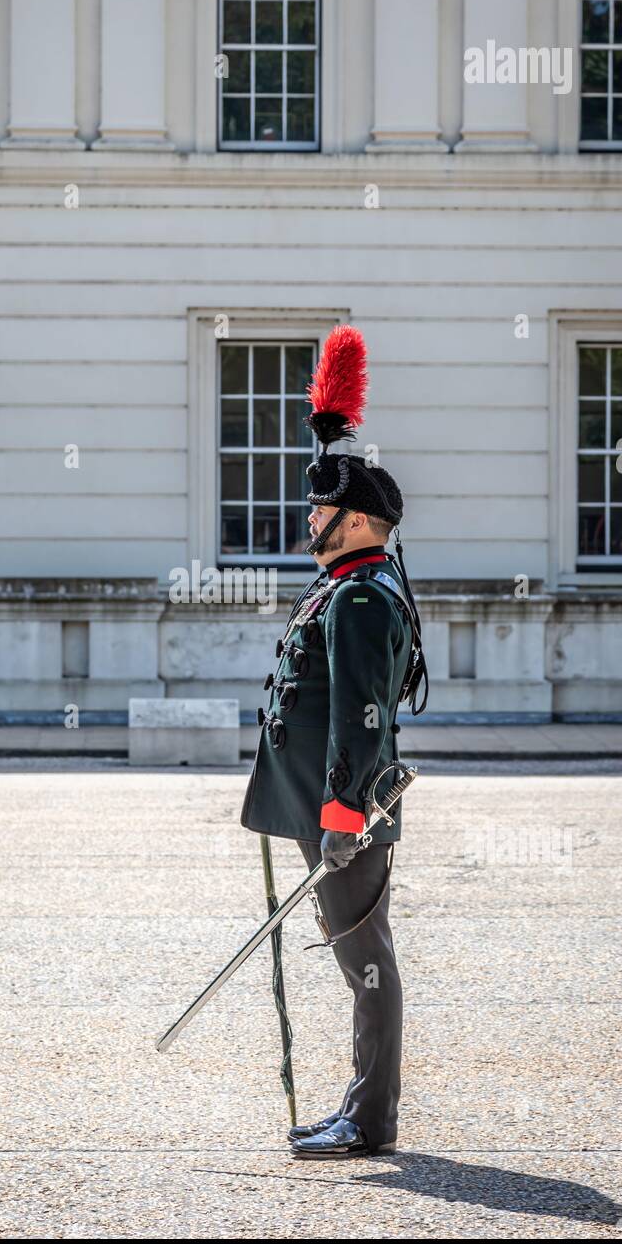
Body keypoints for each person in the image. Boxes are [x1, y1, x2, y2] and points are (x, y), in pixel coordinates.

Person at [240, 325, 424, 1159]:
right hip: (335, 806)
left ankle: (368, 1119)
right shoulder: (350, 586)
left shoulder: (358, 599)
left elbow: (360, 716)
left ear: (356, 521)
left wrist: (342, 813)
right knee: (362, 961)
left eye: (322, 509)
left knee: (365, 965)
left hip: (346, 811)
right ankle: (363, 1110)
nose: (309, 519)